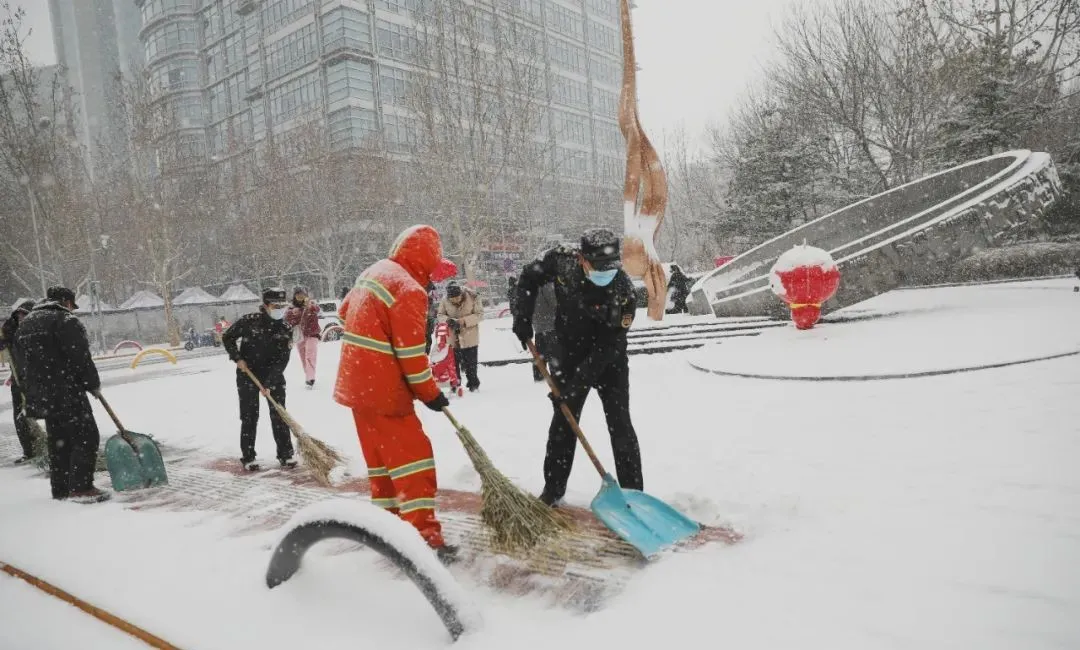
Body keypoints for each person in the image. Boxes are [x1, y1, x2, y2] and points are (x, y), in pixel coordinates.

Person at [334, 225, 458, 565]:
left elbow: (345, 311)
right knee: (413, 463)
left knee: (383, 466)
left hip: (357, 387)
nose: (433, 281)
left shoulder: (374, 272)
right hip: (384, 390)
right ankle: (424, 541)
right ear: (425, 260)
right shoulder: (407, 288)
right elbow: (411, 356)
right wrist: (431, 394)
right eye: (433, 270)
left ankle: (386, 532)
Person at [512, 228, 643, 507]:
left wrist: (576, 387)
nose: (605, 272)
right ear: (582, 259)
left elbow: (609, 346)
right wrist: (521, 316)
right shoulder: (561, 261)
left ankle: (634, 495)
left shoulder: (624, 292)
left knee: (620, 426)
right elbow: (527, 278)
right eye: (598, 266)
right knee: (563, 422)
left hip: (609, 361)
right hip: (568, 353)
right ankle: (553, 490)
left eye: (611, 266)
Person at [15, 287, 109, 503]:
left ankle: (61, 489)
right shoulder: (65, 321)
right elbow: (80, 357)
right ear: (66, 302)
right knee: (86, 437)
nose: (72, 310)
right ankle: (81, 488)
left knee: (59, 441)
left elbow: (22, 365)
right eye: (71, 306)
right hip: (67, 392)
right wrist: (92, 384)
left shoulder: (26, 325)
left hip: (42, 396)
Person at [222, 288, 296, 471]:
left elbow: (283, 360)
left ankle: (285, 454)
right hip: (248, 374)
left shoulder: (285, 328)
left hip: (274, 376)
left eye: (282, 306)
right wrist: (237, 358)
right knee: (249, 416)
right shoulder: (249, 322)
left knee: (279, 414)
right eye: (275, 305)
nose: (279, 309)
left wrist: (270, 383)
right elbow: (228, 337)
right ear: (265, 305)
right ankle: (248, 457)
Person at [1, 300, 37, 464]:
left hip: (36, 379)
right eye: (19, 314)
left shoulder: (36, 330)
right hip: (19, 380)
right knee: (20, 416)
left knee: (45, 414)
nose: (22, 317)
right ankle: (29, 450)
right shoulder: (10, 330)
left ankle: (57, 447)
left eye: (25, 314)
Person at [438, 282, 482, 393]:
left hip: (469, 336)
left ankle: (473, 384)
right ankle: (455, 384)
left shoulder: (472, 297)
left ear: (461, 294)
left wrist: (463, 321)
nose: (455, 300)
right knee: (453, 363)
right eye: (452, 299)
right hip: (453, 337)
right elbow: (440, 315)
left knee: (471, 363)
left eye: (457, 298)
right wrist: (448, 320)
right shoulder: (445, 300)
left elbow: (479, 314)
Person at [285, 286, 321, 388]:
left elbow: (317, 310)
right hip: (300, 336)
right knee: (303, 357)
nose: (300, 297)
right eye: (298, 295)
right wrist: (294, 314)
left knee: (310, 355)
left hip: (312, 334)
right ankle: (308, 375)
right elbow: (288, 321)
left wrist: (309, 306)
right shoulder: (291, 309)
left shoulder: (311, 305)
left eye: (302, 295)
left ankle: (310, 378)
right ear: (295, 296)